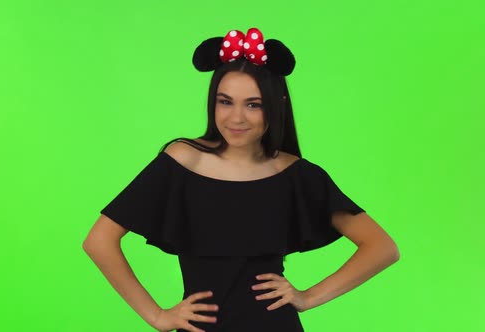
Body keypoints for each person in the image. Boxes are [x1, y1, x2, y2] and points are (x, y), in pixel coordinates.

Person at [82, 27, 400, 332]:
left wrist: (309, 297)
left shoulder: (295, 174)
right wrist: (157, 316)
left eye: (253, 104)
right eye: (225, 101)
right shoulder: (182, 161)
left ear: (277, 106)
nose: (236, 118)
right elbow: (99, 241)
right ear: (213, 102)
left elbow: (382, 247)